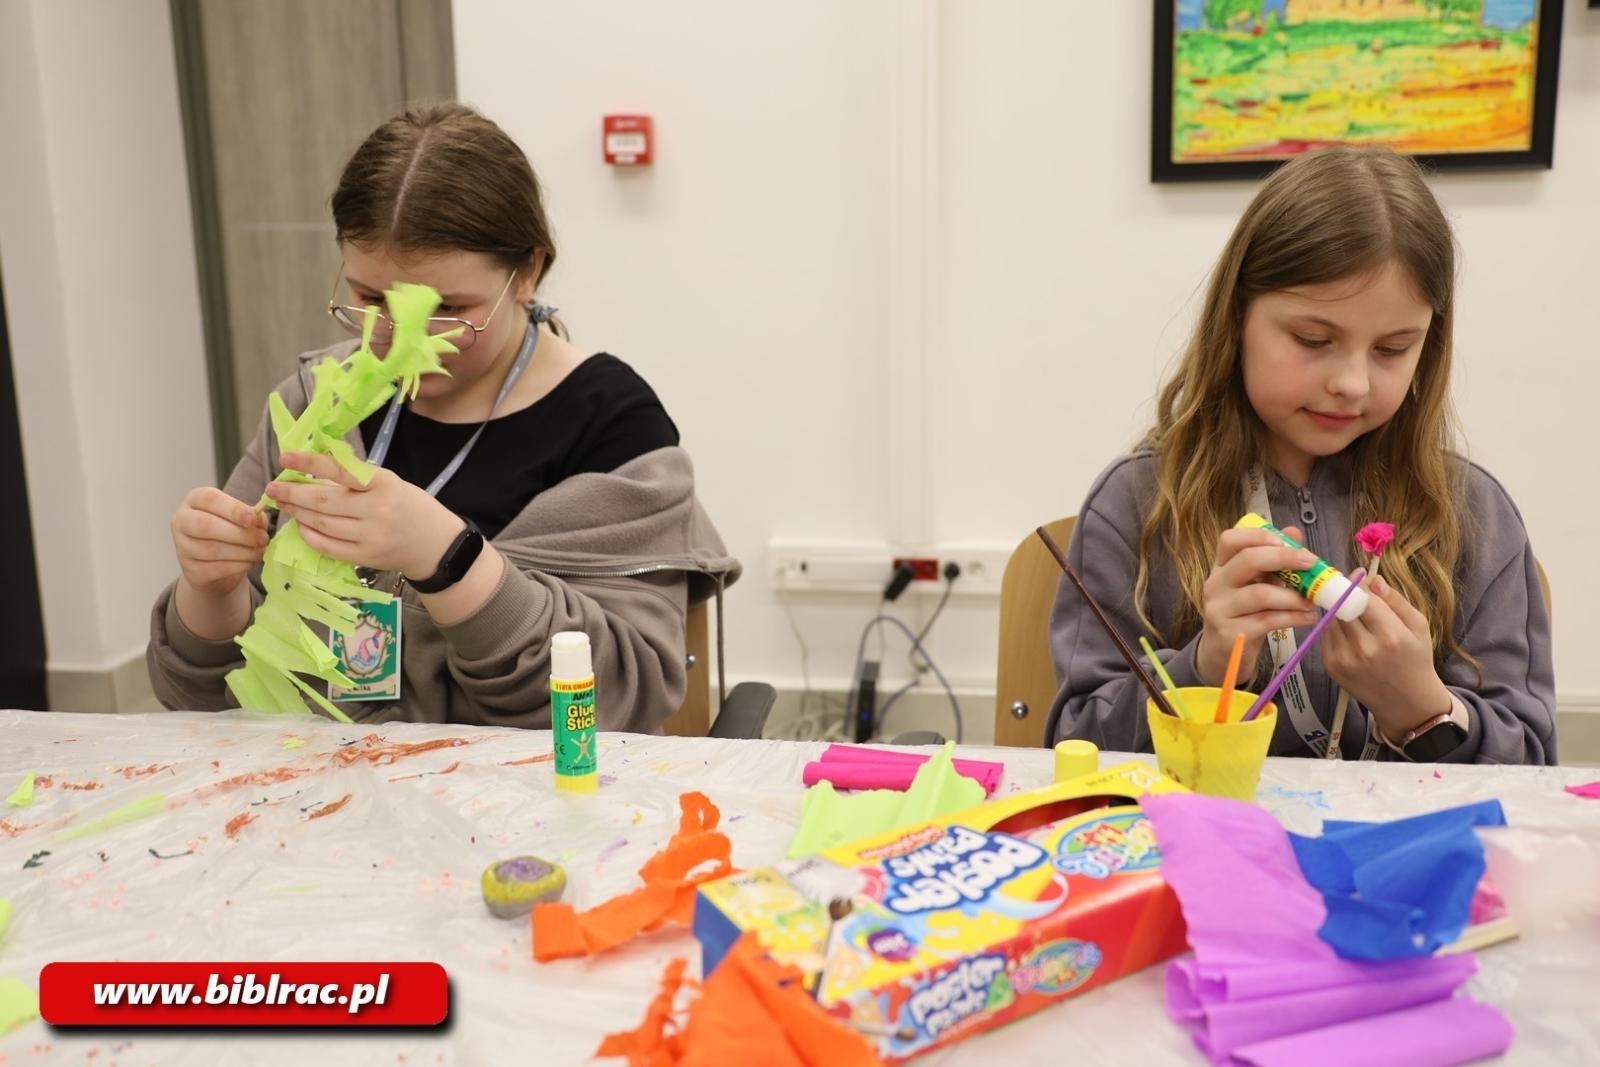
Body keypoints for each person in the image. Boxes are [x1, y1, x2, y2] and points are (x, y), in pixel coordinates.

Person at [148, 103, 738, 730]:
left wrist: (445, 556)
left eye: (449, 308)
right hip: (319, 790)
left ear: (527, 272)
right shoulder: (315, 403)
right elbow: (201, 699)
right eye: (371, 298)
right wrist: (211, 589)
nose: (404, 337)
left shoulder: (614, 429)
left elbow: (613, 702)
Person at [1048, 146, 1555, 764]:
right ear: (1236, 320)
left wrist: (1423, 710)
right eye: (1314, 340)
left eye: (1393, 349)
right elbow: (1073, 749)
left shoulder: (1472, 511)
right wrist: (1205, 668)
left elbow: (1532, 766)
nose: (1353, 383)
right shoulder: (1138, 501)